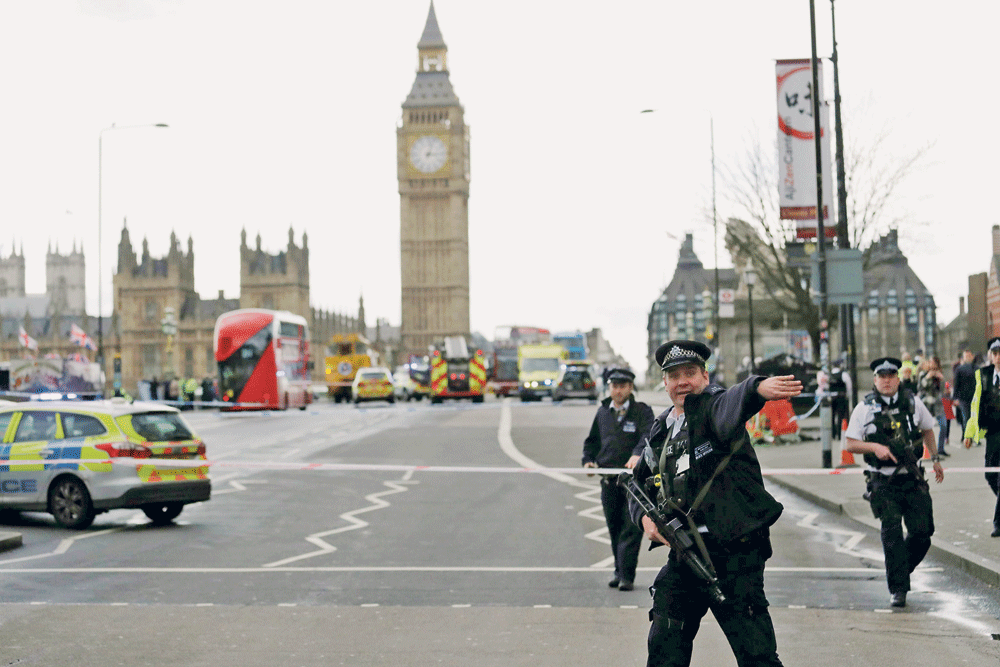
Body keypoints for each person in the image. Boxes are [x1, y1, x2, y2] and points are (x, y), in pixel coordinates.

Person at [628, 340, 802, 667]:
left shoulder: (712, 408)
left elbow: (732, 401)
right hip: (686, 553)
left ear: (705, 376)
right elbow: (637, 483)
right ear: (664, 382)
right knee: (665, 644)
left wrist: (756, 387)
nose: (683, 381)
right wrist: (645, 522)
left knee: (757, 655)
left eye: (690, 373)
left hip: (735, 553)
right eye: (674, 375)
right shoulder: (661, 428)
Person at [844, 357, 944, 608]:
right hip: (882, 481)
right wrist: (874, 446)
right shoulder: (863, 408)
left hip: (912, 478)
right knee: (892, 533)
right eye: (881, 376)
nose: (886, 381)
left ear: (898, 378)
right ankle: (898, 589)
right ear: (874, 380)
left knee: (923, 533)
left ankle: (899, 572)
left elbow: (928, 429)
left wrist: (936, 458)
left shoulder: (913, 402)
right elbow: (851, 443)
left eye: (891, 376)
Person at [582, 367, 653, 591]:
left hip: (633, 483)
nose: (618, 390)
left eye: (623, 386)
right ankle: (618, 570)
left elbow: (649, 434)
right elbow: (592, 441)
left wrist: (638, 452)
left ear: (630, 388)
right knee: (613, 528)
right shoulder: (603, 412)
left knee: (631, 529)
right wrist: (588, 461)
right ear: (609, 387)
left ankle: (627, 576)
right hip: (608, 481)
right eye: (615, 386)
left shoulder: (642, 411)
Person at [962, 336, 1000, 538]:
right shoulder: (983, 375)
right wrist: (969, 433)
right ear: (990, 356)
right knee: (990, 475)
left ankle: (998, 523)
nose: (998, 357)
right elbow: (975, 405)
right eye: (995, 354)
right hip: (992, 433)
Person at [917, 356, 949, 456]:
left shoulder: (940, 374)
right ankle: (923, 450)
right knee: (924, 427)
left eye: (935, 362)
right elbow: (920, 387)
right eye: (931, 362)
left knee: (943, 425)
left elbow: (944, 389)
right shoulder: (923, 374)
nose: (933, 364)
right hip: (927, 404)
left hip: (938, 405)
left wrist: (942, 379)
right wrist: (928, 377)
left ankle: (940, 449)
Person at [953, 349, 977, 441]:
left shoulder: (977, 368)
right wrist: (955, 398)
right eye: (966, 356)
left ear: (972, 356)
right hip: (963, 398)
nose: (968, 358)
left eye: (969, 356)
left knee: (973, 418)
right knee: (966, 418)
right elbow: (956, 384)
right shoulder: (959, 369)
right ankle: (966, 436)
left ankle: (973, 437)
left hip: (974, 397)